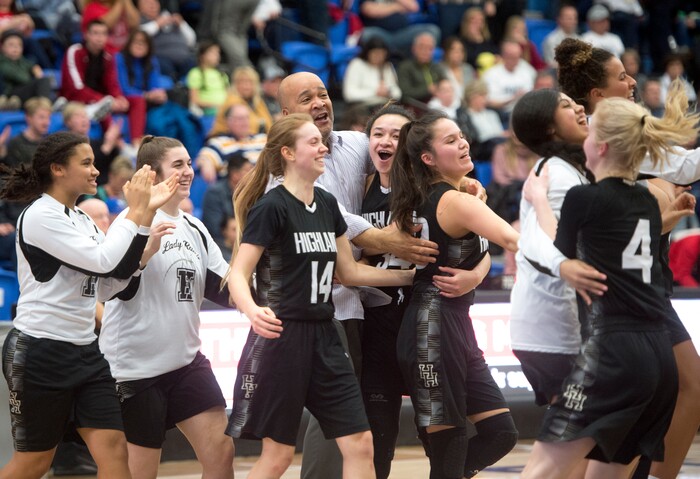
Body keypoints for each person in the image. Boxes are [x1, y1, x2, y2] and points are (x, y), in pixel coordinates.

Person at [520, 80, 699, 479]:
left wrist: (537, 203)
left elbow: (558, 251)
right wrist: (671, 218)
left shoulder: (585, 198)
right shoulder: (648, 199)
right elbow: (628, 246)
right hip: (658, 355)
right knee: (607, 473)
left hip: (613, 351)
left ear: (599, 147)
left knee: (543, 468)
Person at [226, 113, 415, 479]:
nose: (323, 148)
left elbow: (349, 272)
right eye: (313, 142)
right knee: (277, 457)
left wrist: (413, 277)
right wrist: (252, 309)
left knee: (360, 442)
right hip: (283, 335)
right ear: (288, 153)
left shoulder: (327, 204)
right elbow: (238, 272)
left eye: (322, 141)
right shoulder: (271, 206)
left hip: (327, 333)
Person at [0, 131, 179, 479]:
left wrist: (143, 242)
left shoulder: (81, 219)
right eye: (86, 163)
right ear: (58, 169)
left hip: (85, 352)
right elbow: (105, 261)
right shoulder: (39, 216)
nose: (96, 170)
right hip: (39, 351)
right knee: (34, 463)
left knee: (114, 450)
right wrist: (139, 211)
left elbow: (109, 285)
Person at [389, 111, 519, 479]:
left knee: (500, 434)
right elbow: (511, 240)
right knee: (450, 449)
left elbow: (475, 257)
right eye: (450, 140)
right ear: (428, 158)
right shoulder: (453, 201)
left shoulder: (456, 195)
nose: (463, 142)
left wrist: (475, 276)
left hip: (454, 325)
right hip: (432, 327)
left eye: (461, 136)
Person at [99, 136, 235, 479]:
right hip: (135, 372)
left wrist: (275, 291)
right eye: (178, 165)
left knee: (221, 453)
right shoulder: (131, 223)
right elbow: (116, 289)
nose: (188, 171)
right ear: (153, 173)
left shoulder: (196, 228)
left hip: (187, 364)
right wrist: (145, 251)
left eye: (189, 163)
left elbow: (227, 288)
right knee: (139, 473)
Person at [61, 19, 147, 147]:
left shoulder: (108, 56)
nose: (99, 38)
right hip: (76, 101)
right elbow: (76, 88)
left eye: (103, 34)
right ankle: (119, 146)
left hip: (102, 101)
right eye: (95, 33)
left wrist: (118, 98)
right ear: (86, 35)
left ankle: (136, 145)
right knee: (104, 107)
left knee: (138, 101)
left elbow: (112, 84)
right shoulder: (75, 51)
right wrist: (105, 100)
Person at [195, 103, 266, 182]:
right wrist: (206, 164)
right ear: (229, 121)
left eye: (247, 118)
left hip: (264, 184)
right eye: (240, 119)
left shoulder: (262, 139)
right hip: (236, 187)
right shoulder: (220, 142)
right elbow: (204, 158)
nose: (245, 122)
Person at [201, 150, 253, 251]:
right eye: (248, 170)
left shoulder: (251, 193)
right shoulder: (215, 193)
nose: (252, 174)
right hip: (220, 246)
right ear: (235, 174)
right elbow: (214, 229)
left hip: (244, 243)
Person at [137, 0, 196, 81]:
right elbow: (140, 36)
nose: (152, 6)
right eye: (147, 3)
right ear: (140, 8)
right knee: (164, 67)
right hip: (160, 58)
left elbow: (192, 41)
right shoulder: (139, 20)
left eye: (154, 3)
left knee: (192, 64)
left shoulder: (171, 19)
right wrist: (157, 24)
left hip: (184, 58)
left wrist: (182, 24)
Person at [358, 0, 441, 56]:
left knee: (433, 31)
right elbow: (370, 10)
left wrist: (383, 8)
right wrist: (396, 7)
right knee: (366, 35)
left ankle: (406, 60)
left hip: (402, 34)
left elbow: (414, 7)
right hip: (380, 34)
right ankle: (398, 54)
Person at [209, 66, 273, 138]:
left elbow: (269, 125)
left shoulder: (258, 102)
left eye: (250, 82)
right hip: (227, 140)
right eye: (242, 82)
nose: (246, 86)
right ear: (235, 84)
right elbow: (250, 127)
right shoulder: (232, 101)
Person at [342, 36, 401, 107]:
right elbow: (349, 94)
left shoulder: (387, 66)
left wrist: (388, 92)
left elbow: (397, 93)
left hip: (384, 106)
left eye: (382, 54)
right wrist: (375, 93)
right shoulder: (357, 64)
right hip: (362, 107)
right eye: (375, 53)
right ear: (368, 53)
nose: (379, 57)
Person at [0, 30, 51, 109]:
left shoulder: (23, 60)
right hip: (9, 93)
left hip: (21, 92)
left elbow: (36, 69)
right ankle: (44, 107)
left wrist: (34, 69)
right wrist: (33, 72)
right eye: (11, 45)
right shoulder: (2, 61)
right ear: (2, 47)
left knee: (44, 81)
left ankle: (43, 105)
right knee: (42, 82)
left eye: (19, 45)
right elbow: (22, 78)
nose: (15, 48)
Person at [397, 33, 447, 105]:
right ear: (414, 48)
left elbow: (445, 82)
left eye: (429, 48)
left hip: (439, 105)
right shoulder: (405, 67)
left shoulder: (437, 67)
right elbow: (405, 94)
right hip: (416, 107)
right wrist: (427, 90)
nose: (425, 51)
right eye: (422, 47)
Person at [186, 41, 229, 117]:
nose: (217, 56)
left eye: (218, 53)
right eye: (213, 53)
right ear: (202, 55)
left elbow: (229, 95)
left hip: (225, 109)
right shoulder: (196, 73)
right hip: (208, 111)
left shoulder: (222, 74)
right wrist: (215, 105)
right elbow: (194, 100)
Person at [440, 36, 476, 107]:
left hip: (468, 107)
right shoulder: (440, 69)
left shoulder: (468, 68)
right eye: (454, 50)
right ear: (447, 52)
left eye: (461, 50)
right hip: (447, 106)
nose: (458, 54)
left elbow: (473, 90)